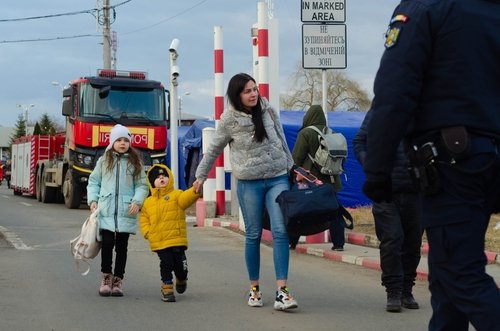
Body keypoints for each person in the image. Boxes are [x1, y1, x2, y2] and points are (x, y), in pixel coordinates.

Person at [362, 1, 500, 329]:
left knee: (459, 274)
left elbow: (394, 92)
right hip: (489, 159)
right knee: (446, 274)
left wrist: (378, 170)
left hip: (455, 162)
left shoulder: (425, 9)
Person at [193, 73, 298, 311]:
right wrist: (200, 176)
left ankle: (282, 291)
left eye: (255, 89)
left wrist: (292, 167)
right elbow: (212, 150)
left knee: (280, 231)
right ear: (237, 95)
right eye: (247, 91)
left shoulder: (268, 110)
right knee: (253, 234)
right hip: (249, 183)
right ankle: (254, 289)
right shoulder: (229, 119)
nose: (253, 94)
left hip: (277, 177)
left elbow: (281, 140)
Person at [354, 109, 422, 312]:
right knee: (392, 239)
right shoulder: (379, 109)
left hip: (416, 190)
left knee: (412, 243)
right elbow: (359, 142)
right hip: (385, 190)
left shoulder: (425, 108)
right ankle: (393, 290)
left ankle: (406, 290)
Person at [87, 124, 149, 297]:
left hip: (126, 211)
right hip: (106, 210)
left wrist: (137, 201)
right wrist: (93, 200)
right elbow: (94, 182)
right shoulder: (104, 161)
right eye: (119, 140)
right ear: (112, 141)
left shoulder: (134, 162)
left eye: (126, 140)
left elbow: (142, 185)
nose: (122, 143)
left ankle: (118, 280)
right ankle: (106, 277)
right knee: (107, 244)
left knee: (122, 247)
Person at [139, 164, 200, 302]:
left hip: (176, 239)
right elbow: (144, 220)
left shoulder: (176, 195)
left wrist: (195, 191)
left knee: (180, 266)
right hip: (160, 241)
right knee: (166, 263)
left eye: (164, 176)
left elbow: (187, 198)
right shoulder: (148, 202)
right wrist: (148, 233)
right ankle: (167, 286)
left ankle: (181, 278)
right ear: (151, 182)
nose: (161, 178)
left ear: (169, 178)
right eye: (157, 177)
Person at [289, 104, 345, 251]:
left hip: (311, 182)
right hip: (332, 181)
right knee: (334, 212)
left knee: (300, 211)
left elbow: (296, 159)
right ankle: (338, 244)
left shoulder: (305, 133)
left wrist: (293, 176)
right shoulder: (332, 134)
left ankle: (292, 242)